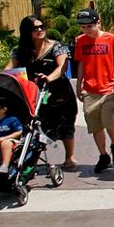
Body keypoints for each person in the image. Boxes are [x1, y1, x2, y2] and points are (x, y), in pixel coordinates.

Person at [7, 15, 78, 170]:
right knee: (37, 126)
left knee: (66, 125)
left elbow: (62, 67)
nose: (39, 30)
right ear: (26, 32)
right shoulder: (20, 51)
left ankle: (70, 157)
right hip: (34, 95)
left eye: (41, 27)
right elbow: (9, 70)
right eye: (34, 28)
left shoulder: (56, 47)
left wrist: (48, 78)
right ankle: (31, 156)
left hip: (59, 93)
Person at [73, 8, 114, 174]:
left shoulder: (111, 39)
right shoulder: (80, 41)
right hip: (90, 89)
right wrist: (79, 84)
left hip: (108, 87)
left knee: (110, 121)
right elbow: (80, 63)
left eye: (89, 26)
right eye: (83, 27)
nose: (86, 30)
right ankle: (103, 155)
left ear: (98, 23)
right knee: (95, 125)